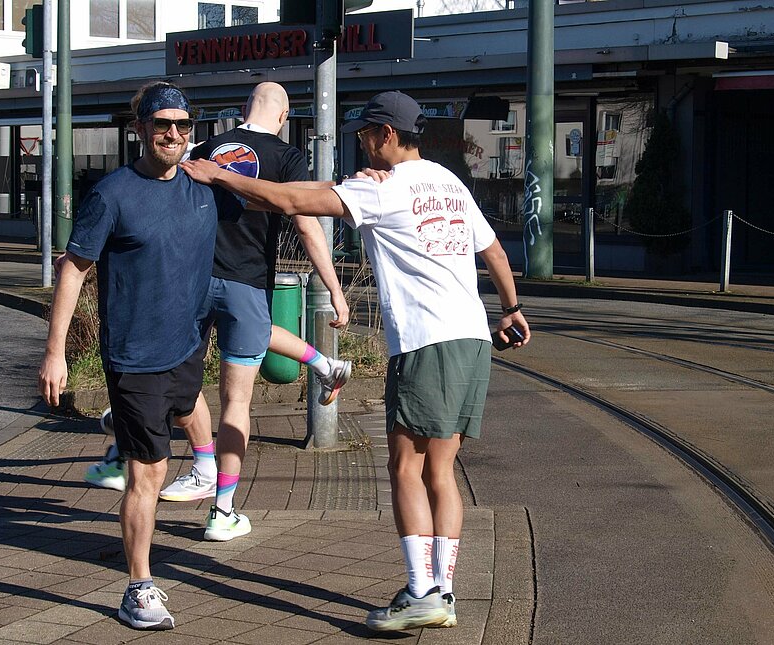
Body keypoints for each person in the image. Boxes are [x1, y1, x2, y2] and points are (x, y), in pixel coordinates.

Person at [181, 90, 529, 631]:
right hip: (471, 341)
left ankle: (421, 592)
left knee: (404, 468)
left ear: (387, 135)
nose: (362, 144)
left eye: (366, 134)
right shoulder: (448, 182)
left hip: (425, 343)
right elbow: (496, 253)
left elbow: (291, 203)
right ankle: (445, 592)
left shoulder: (383, 192)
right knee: (441, 470)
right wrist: (510, 310)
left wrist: (221, 176)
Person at [85, 82, 353, 545]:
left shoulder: (202, 149)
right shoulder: (285, 157)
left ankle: (179, 456)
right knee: (237, 403)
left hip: (195, 281)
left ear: (243, 109)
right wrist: (334, 288)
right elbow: (307, 225)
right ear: (285, 117)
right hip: (246, 283)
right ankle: (222, 510)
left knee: (180, 379)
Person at [39, 80, 243, 631]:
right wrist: (56, 353)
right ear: (141, 130)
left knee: (191, 404)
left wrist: (360, 183)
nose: (172, 135)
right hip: (134, 357)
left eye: (182, 126)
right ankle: (139, 588)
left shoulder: (206, 188)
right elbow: (73, 270)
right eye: (162, 125)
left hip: (185, 348)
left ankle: (203, 475)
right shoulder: (113, 194)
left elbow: (283, 195)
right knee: (147, 474)